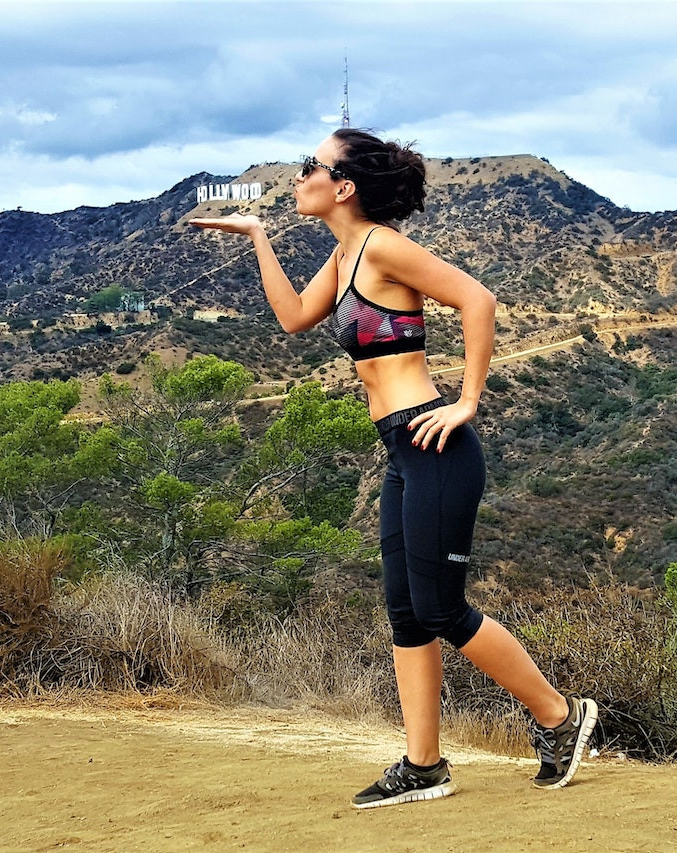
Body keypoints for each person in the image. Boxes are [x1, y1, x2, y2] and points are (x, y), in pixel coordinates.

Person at [190, 128, 597, 809]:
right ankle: (424, 763)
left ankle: (561, 715)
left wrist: (467, 399)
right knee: (406, 614)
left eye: (308, 167)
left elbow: (478, 299)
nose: (298, 177)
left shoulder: (381, 246)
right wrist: (258, 235)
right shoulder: (346, 253)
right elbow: (293, 318)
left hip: (434, 442)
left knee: (442, 606)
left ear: (342, 186)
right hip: (401, 450)